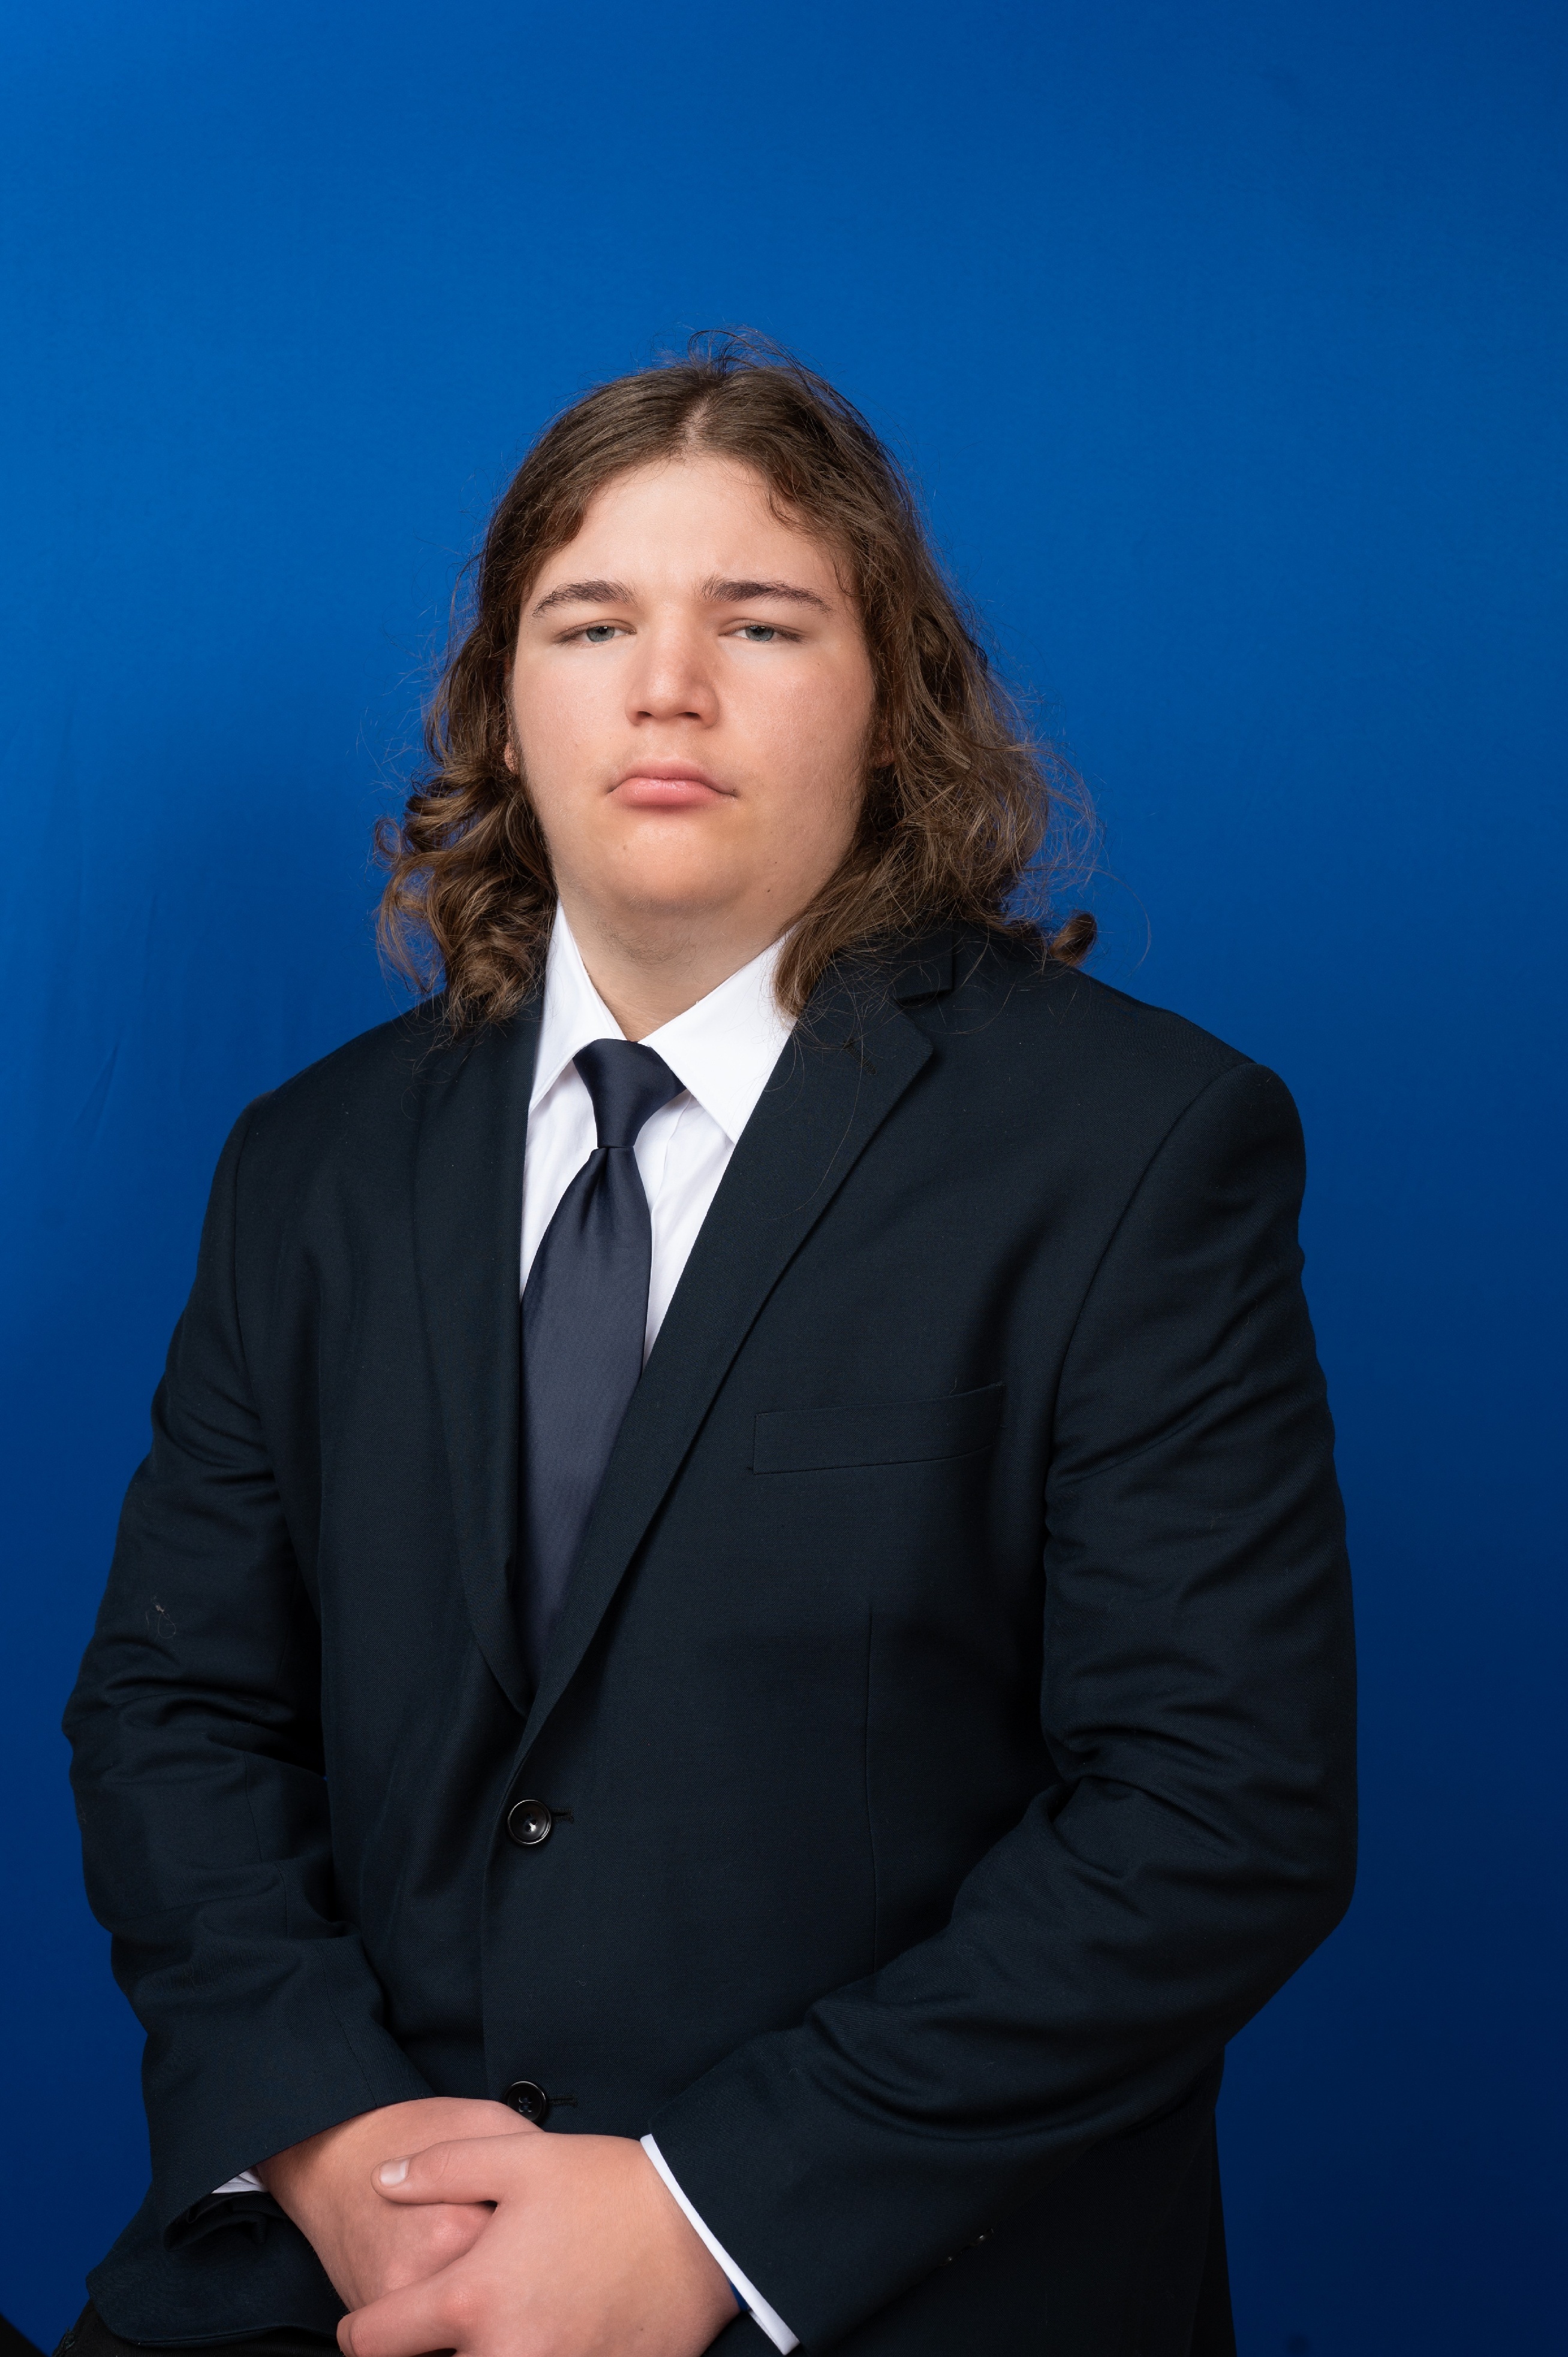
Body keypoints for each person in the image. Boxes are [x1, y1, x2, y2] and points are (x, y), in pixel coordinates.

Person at [63, 337, 1356, 2357]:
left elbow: (1218, 1806)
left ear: (892, 704)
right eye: (592, 622)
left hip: (873, 2278)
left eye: (762, 621)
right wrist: (342, 2150)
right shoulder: (306, 1166)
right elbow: (177, 1712)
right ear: (505, 704)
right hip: (358, 2260)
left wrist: (699, 2217)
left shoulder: (1138, 1148)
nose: (666, 684)